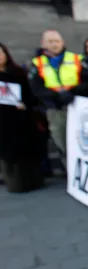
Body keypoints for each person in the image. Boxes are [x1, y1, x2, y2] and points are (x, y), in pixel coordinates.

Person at [29, 30, 88, 167]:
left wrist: (72, 92)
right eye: (50, 41)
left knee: (84, 143)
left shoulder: (77, 59)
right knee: (62, 143)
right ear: (43, 44)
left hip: (76, 106)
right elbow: (36, 87)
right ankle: (69, 173)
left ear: (63, 42)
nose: (54, 44)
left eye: (57, 41)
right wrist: (56, 96)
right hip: (56, 109)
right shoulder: (37, 63)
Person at [0, 43, 43, 192]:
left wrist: (25, 104)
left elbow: (31, 95)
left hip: (22, 118)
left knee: (27, 151)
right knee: (9, 154)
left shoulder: (18, 72)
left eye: (1, 53)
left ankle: (34, 181)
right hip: (3, 121)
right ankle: (15, 184)